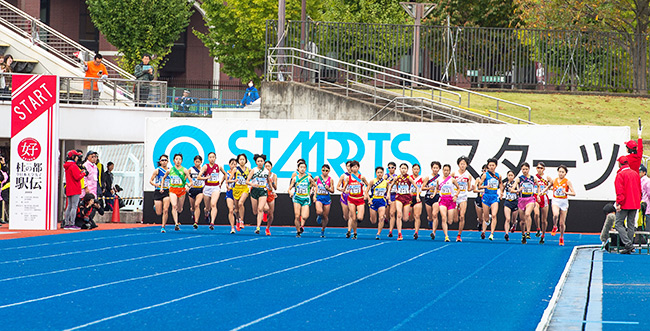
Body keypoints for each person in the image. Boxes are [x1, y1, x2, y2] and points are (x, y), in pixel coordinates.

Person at [614, 156, 641, 254]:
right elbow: (639, 189)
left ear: (620, 164)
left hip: (625, 203)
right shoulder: (635, 173)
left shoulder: (620, 174)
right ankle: (630, 246)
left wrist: (619, 203)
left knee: (618, 224)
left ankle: (628, 244)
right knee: (631, 224)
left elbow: (620, 190)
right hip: (634, 202)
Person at [160, 153, 193, 232]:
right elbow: (163, 178)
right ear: (174, 161)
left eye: (179, 159)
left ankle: (177, 218)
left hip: (181, 190)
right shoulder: (170, 170)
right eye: (176, 159)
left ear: (181, 161)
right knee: (174, 206)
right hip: (173, 190)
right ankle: (176, 224)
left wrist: (188, 185)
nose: (178, 161)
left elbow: (190, 181)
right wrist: (161, 187)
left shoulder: (184, 170)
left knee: (180, 208)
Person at [199, 152, 227, 231]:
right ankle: (206, 213)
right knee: (207, 207)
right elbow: (199, 177)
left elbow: (225, 174)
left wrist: (221, 182)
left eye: (213, 157)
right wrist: (206, 178)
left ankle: (212, 223)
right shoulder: (205, 166)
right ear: (208, 158)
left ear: (215, 158)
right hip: (207, 188)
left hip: (215, 187)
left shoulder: (218, 166)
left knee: (213, 204)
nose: (212, 159)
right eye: (210, 157)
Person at [390, 163, 419, 241]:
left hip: (407, 198)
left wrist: (417, 196)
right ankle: (399, 233)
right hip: (399, 197)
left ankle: (409, 213)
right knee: (399, 214)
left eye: (405, 168)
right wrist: (388, 195)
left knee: (405, 218)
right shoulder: (397, 178)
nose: (403, 170)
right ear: (399, 169)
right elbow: (390, 185)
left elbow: (416, 187)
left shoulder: (409, 178)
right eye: (402, 168)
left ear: (407, 170)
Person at [343, 160, 369, 239]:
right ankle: (354, 233)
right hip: (351, 199)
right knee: (353, 218)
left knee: (360, 217)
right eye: (353, 167)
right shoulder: (348, 178)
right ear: (350, 168)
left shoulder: (362, 177)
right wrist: (345, 190)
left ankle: (358, 212)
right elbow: (344, 188)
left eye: (356, 167)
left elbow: (368, 185)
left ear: (358, 168)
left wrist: (365, 192)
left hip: (360, 199)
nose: (355, 168)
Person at [289, 161, 316, 237]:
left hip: (306, 198)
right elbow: (290, 187)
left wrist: (313, 194)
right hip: (297, 198)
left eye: (304, 167)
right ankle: (298, 231)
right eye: (301, 167)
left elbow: (315, 186)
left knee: (304, 216)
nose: (302, 169)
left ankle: (301, 225)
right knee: (297, 216)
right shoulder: (295, 178)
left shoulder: (308, 178)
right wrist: (290, 192)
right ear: (298, 168)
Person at [550, 165, 576, 246]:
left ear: (565, 173)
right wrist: (542, 192)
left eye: (562, 172)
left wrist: (566, 192)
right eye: (559, 171)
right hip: (555, 200)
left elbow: (573, 193)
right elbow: (548, 187)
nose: (561, 173)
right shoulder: (554, 180)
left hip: (564, 201)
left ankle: (561, 237)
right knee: (555, 215)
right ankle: (554, 226)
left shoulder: (567, 182)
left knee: (562, 223)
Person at [479, 158, 503, 241]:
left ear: (496, 166)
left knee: (494, 215)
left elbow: (501, 184)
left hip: (494, 197)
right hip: (486, 196)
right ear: (488, 166)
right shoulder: (485, 175)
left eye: (493, 165)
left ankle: (492, 234)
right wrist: (486, 187)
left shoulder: (498, 175)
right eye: (490, 165)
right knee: (485, 218)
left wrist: (502, 192)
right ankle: (486, 221)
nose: (492, 167)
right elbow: (479, 186)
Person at [247, 154, 271, 235]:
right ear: (256, 162)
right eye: (258, 161)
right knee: (255, 211)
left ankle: (258, 227)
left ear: (264, 162)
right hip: (254, 190)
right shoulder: (253, 170)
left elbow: (268, 181)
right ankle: (260, 217)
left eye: (261, 161)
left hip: (263, 190)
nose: (260, 163)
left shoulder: (267, 171)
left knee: (260, 209)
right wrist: (252, 184)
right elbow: (247, 181)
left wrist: (272, 190)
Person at [63, 150, 87, 230]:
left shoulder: (67, 166)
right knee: (74, 206)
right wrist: (83, 173)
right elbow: (77, 177)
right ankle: (72, 223)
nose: (78, 158)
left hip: (69, 188)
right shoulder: (73, 166)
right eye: (76, 156)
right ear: (73, 157)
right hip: (75, 188)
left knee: (69, 206)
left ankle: (66, 223)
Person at [437, 164, 460, 242]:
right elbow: (437, 189)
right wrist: (435, 195)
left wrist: (456, 195)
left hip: (450, 200)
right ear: (442, 171)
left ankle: (456, 210)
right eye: (444, 170)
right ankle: (446, 236)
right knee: (443, 218)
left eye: (447, 170)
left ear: (449, 171)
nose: (446, 172)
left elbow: (458, 188)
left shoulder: (452, 179)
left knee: (450, 221)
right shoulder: (439, 179)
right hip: (442, 200)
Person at [516, 163, 537, 244]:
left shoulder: (532, 178)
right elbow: (513, 189)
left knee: (527, 214)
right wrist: (518, 190)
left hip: (530, 199)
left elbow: (538, 186)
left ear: (529, 169)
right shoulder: (519, 179)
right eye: (523, 169)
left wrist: (537, 194)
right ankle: (523, 234)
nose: (525, 171)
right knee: (522, 220)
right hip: (521, 200)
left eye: (526, 169)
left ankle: (528, 232)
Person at [453, 156, 473, 240]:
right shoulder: (454, 174)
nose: (462, 165)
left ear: (466, 165)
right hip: (454, 196)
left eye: (464, 164)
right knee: (455, 219)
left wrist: (472, 188)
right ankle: (456, 211)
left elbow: (468, 188)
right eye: (461, 164)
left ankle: (459, 235)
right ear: (458, 165)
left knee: (462, 216)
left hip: (463, 197)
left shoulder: (468, 176)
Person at [366, 166, 389, 240]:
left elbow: (388, 190)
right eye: (378, 172)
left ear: (383, 173)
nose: (379, 174)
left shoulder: (385, 182)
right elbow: (366, 191)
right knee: (373, 221)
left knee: (381, 218)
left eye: (381, 172)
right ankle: (383, 217)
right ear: (376, 173)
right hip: (373, 201)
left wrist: (388, 196)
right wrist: (369, 199)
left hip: (381, 201)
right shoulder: (372, 181)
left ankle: (378, 233)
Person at [150, 155, 171, 232]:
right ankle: (156, 207)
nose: (164, 162)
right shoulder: (157, 170)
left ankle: (163, 226)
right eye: (162, 160)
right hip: (158, 191)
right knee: (159, 213)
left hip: (167, 191)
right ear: (160, 161)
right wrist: (156, 185)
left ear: (167, 161)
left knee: (166, 209)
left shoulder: (170, 170)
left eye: (165, 160)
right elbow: (151, 180)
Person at [422, 161, 442, 240]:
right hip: (428, 197)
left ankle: (433, 232)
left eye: (437, 168)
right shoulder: (428, 177)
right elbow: (422, 188)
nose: (435, 169)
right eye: (434, 168)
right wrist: (429, 188)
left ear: (439, 169)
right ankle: (430, 221)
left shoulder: (440, 178)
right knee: (430, 216)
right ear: (431, 168)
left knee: (435, 214)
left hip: (436, 197)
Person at [313, 164, 335, 238]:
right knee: (319, 211)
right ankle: (319, 215)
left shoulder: (330, 179)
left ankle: (323, 229)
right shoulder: (317, 178)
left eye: (326, 170)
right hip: (319, 197)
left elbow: (332, 190)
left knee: (325, 216)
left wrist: (328, 188)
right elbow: (311, 183)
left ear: (328, 171)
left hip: (326, 198)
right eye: (323, 170)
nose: (324, 172)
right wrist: (313, 192)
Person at [534, 162, 553, 239]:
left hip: (544, 197)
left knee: (544, 219)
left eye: (541, 168)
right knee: (536, 214)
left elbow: (552, 183)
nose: (539, 169)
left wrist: (549, 187)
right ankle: (538, 228)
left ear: (544, 169)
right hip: (536, 196)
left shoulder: (547, 177)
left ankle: (543, 234)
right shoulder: (534, 177)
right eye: (538, 168)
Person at [233, 153, 250, 231]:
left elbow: (253, 178)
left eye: (243, 159)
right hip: (236, 189)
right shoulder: (235, 169)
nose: (242, 161)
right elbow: (229, 179)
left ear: (245, 160)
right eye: (240, 159)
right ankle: (237, 220)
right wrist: (234, 180)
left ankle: (242, 220)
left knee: (241, 203)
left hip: (244, 189)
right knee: (236, 209)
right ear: (238, 161)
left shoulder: (249, 170)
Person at [188, 155, 205, 229]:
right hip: (192, 189)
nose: (197, 163)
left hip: (200, 189)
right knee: (192, 207)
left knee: (197, 205)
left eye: (199, 162)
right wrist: (188, 184)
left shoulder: (203, 170)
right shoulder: (191, 169)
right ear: (194, 162)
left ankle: (196, 222)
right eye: (196, 161)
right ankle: (193, 213)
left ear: (201, 162)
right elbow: (184, 178)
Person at [502, 170, 519, 242]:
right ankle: (506, 233)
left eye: (512, 175)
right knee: (508, 219)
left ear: (514, 176)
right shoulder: (505, 184)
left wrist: (513, 190)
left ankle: (514, 224)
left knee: (513, 220)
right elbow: (502, 190)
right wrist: (501, 194)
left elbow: (518, 192)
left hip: (515, 202)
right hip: (507, 202)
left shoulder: (516, 183)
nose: (510, 177)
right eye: (509, 175)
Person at [409, 164, 424, 239]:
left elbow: (424, 187)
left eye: (417, 169)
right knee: (410, 217)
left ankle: (416, 232)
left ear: (419, 170)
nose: (416, 170)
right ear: (412, 170)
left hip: (417, 197)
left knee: (417, 216)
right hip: (409, 198)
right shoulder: (409, 178)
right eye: (414, 169)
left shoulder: (421, 178)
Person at [337, 161, 353, 229]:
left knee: (351, 215)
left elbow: (362, 185)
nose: (349, 168)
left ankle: (349, 230)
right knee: (346, 216)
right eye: (348, 166)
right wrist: (342, 190)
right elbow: (337, 186)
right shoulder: (343, 176)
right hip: (344, 197)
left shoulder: (356, 176)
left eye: (350, 166)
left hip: (353, 197)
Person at [224, 158, 238, 233]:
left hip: (237, 192)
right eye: (232, 164)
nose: (234, 165)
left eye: (235, 164)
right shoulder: (227, 173)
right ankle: (232, 227)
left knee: (236, 210)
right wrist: (227, 186)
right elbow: (226, 181)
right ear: (229, 165)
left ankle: (238, 220)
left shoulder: (238, 173)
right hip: (230, 192)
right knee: (230, 210)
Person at [264, 161, 277, 236]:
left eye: (269, 166)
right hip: (263, 193)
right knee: (266, 209)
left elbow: (275, 187)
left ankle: (268, 228)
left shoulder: (274, 175)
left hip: (271, 193)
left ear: (271, 167)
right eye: (266, 166)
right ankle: (264, 213)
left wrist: (272, 183)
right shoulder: (262, 174)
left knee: (271, 214)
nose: (267, 168)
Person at [386, 162, 399, 236]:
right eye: (389, 167)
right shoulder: (385, 176)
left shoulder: (396, 177)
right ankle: (386, 219)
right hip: (386, 195)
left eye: (392, 167)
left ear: (395, 168)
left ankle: (390, 231)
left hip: (394, 195)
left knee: (392, 213)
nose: (391, 169)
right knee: (387, 214)